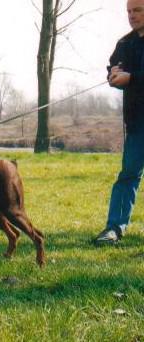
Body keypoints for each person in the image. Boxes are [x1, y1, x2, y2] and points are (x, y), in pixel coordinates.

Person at [95, 0, 144, 245]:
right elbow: (114, 68)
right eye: (129, 11)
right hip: (137, 123)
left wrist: (132, 78)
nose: (132, 16)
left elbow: (132, 77)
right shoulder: (124, 43)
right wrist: (113, 75)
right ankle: (114, 228)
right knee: (128, 175)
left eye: (138, 10)